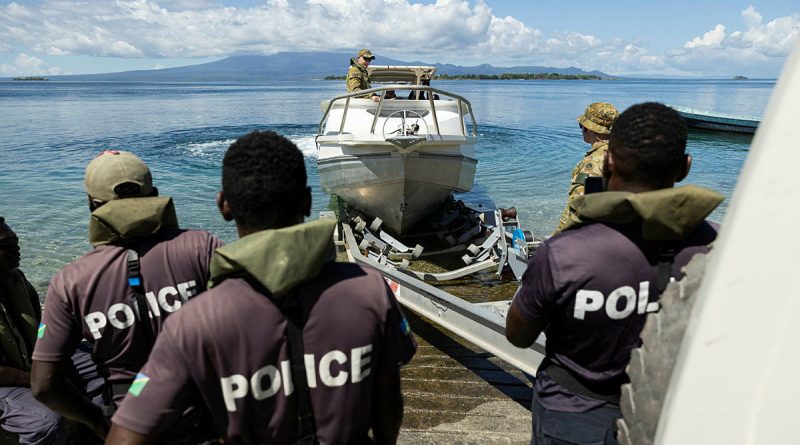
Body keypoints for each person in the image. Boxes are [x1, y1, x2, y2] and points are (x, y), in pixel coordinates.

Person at [107, 130, 417, 444]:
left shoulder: (192, 324)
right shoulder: (369, 290)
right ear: (308, 202)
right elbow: (388, 397)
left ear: (224, 206)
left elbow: (125, 437)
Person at [506, 102, 722, 444]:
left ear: (608, 161)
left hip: (572, 415)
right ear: (685, 167)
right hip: (669, 413)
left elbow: (518, 334)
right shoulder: (717, 246)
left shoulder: (566, 254)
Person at [30, 150, 223, 441]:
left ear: (91, 205)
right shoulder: (202, 247)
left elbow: (44, 385)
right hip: (209, 416)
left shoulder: (70, 281)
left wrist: (95, 420)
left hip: (129, 426)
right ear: (155, 194)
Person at [553, 102, 619, 234]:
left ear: (589, 128)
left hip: (594, 234)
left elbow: (577, 206)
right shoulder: (626, 153)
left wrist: (558, 237)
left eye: (581, 126)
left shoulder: (593, 163)